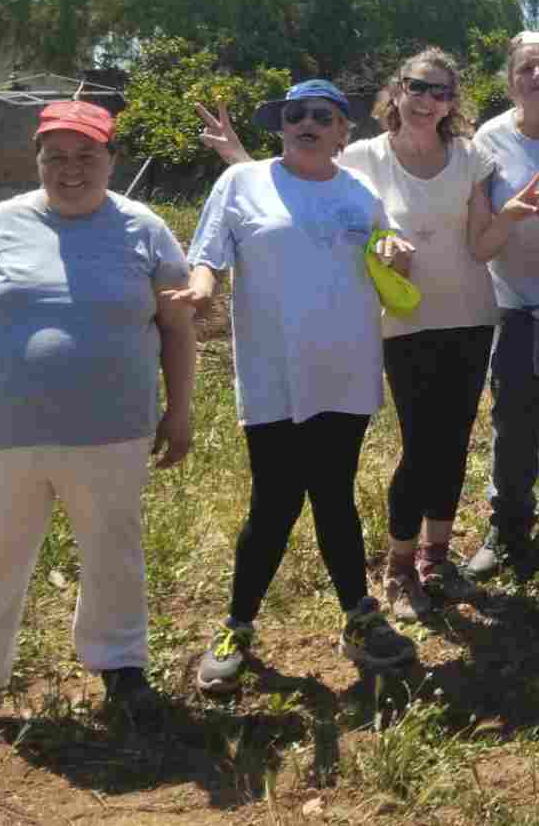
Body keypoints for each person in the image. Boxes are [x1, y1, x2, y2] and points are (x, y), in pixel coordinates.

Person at [0, 101, 195, 741]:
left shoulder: (144, 228)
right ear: (37, 161)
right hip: (3, 432)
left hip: (112, 431)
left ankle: (121, 670)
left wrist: (181, 410)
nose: (71, 168)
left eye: (87, 155)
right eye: (56, 156)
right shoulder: (0, 224)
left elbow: (175, 327)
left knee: (114, 555)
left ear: (111, 159)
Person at [181, 79, 418, 693]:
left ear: (344, 132)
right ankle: (237, 624)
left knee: (335, 494)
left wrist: (397, 251)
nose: (307, 123)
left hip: (345, 369)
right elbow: (209, 254)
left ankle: (359, 618)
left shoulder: (359, 191)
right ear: (281, 126)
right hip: (273, 372)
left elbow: (391, 250)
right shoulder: (241, 182)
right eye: (294, 115)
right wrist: (202, 290)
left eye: (322, 116)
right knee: (275, 501)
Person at [466, 32, 539, 580]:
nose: (536, 76)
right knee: (514, 422)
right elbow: (477, 224)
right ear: (510, 80)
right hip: (514, 303)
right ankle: (508, 526)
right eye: (524, 69)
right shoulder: (489, 140)